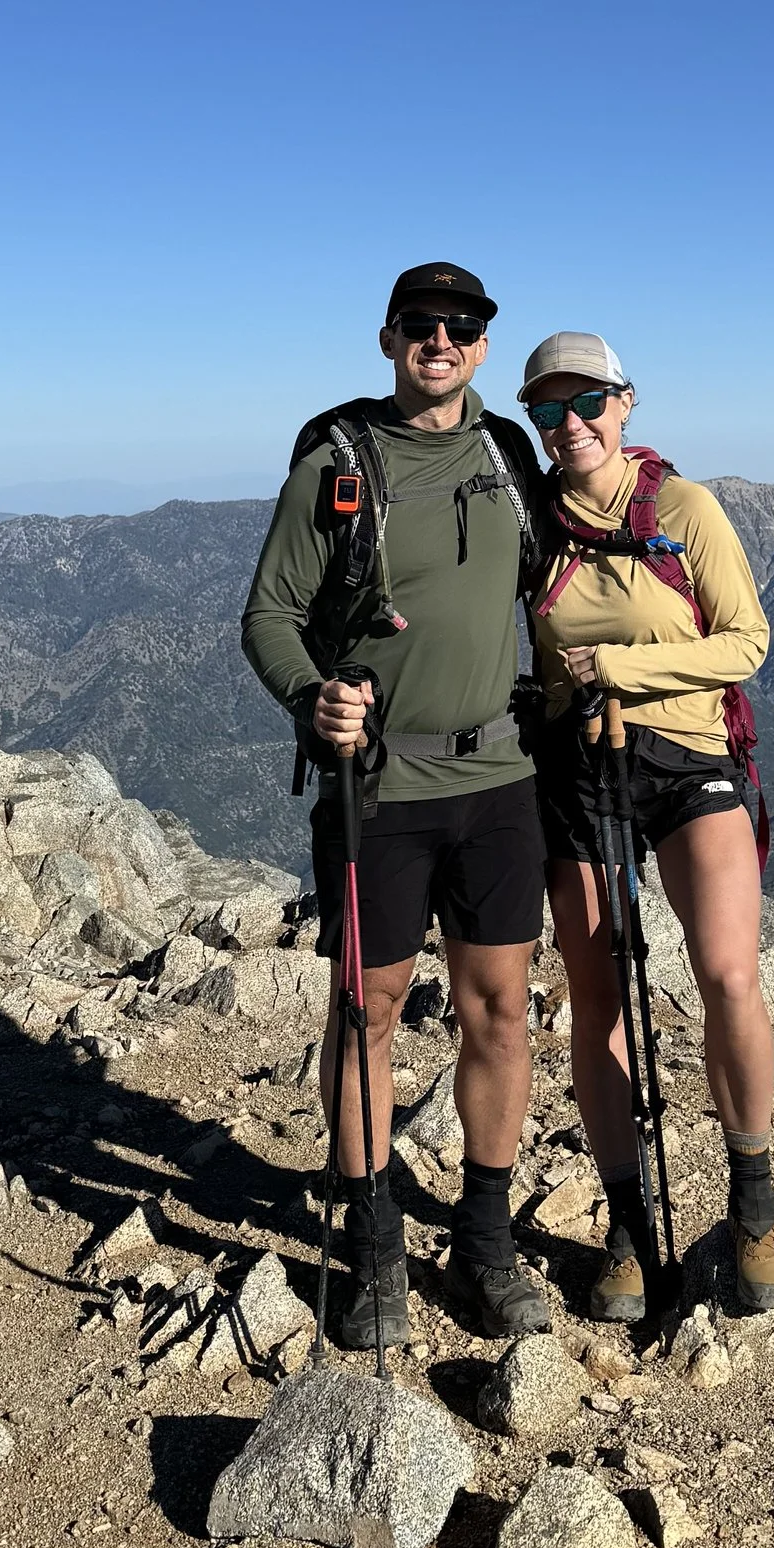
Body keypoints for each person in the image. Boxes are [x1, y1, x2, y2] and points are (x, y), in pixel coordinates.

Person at [240, 262, 555, 1351]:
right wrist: (308, 695)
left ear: (479, 346)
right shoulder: (339, 465)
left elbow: (567, 575)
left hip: (500, 778)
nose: (442, 341)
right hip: (378, 783)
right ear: (388, 339)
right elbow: (272, 615)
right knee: (368, 1013)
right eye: (423, 325)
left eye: (463, 327)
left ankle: (483, 1237)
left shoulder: (510, 458)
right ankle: (375, 1244)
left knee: (499, 1012)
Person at [517, 331, 774, 1319]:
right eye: (547, 412)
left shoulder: (684, 509)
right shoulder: (533, 522)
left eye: (585, 403)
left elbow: (746, 642)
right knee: (594, 995)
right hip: (580, 768)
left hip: (685, 761)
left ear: (625, 403)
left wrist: (619, 671)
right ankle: (629, 1223)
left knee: (727, 973)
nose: (569, 426)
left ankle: (754, 1193)